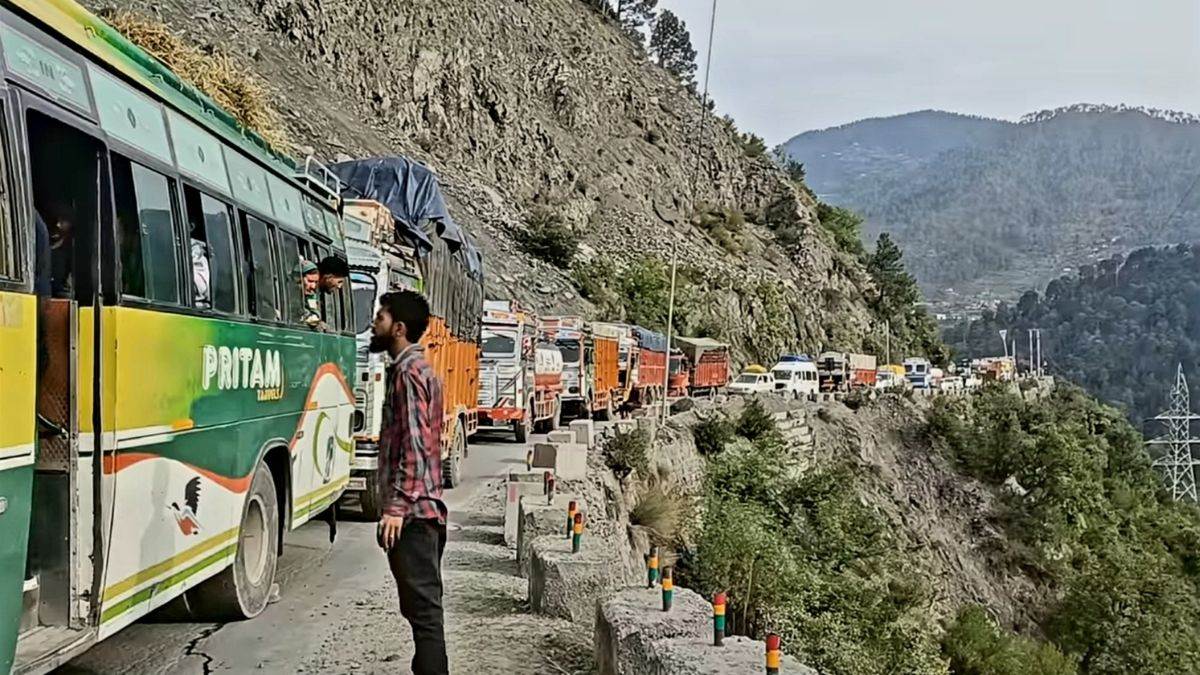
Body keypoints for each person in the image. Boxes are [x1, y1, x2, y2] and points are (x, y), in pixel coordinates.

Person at [368, 290, 448, 675]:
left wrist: (396, 508)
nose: (374, 323)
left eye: (380, 317)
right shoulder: (419, 369)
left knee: (426, 619)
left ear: (398, 328)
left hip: (416, 515)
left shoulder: (409, 373)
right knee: (422, 615)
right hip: (423, 511)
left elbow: (414, 449)